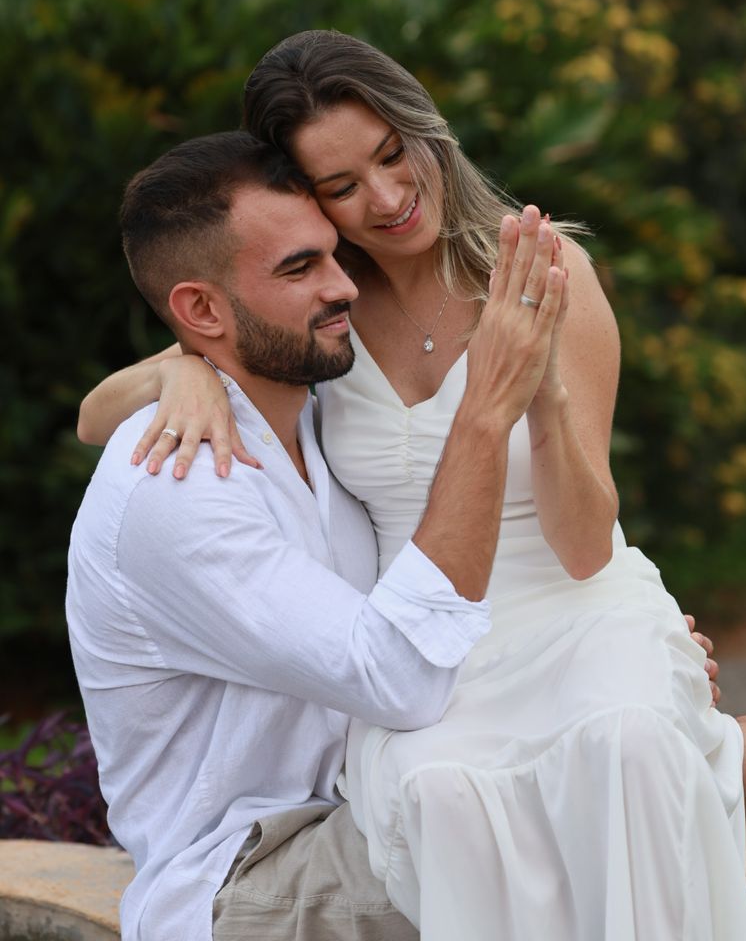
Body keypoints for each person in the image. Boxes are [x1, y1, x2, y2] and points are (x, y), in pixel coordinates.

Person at [78, 33, 746, 940]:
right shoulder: (326, 314)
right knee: (443, 800)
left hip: (569, 608)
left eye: (392, 154)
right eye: (342, 186)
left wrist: (539, 391)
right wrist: (183, 369)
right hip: (439, 648)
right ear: (312, 200)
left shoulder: (538, 274)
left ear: (425, 130)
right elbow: (100, 412)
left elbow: (586, 546)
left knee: (633, 750)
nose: (386, 198)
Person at [69, 128, 574, 941]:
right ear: (201, 310)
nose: (344, 287)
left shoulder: (318, 414)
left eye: (335, 256)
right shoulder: (179, 482)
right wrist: (486, 411)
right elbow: (400, 677)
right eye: (300, 268)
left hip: (382, 794)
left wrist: (607, 644)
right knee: (608, 829)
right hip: (251, 873)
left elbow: (433, 604)